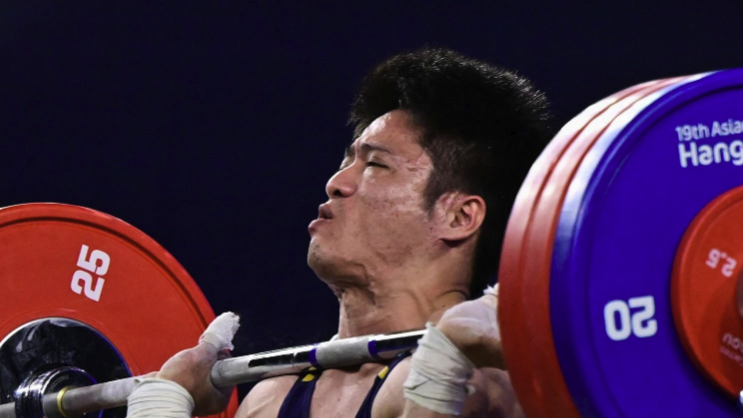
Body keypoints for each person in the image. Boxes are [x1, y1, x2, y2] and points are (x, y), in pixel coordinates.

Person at [125, 47, 552, 418]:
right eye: (348, 161)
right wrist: (168, 397)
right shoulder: (270, 400)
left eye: (376, 165)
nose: (337, 182)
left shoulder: (485, 388)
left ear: (458, 216)